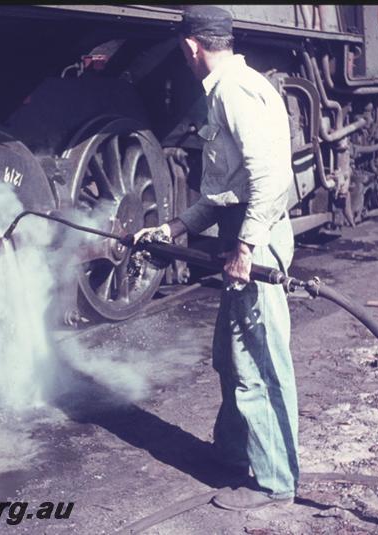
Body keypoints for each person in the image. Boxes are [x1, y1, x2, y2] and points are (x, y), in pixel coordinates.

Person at [134, 5, 299, 511]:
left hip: (257, 238)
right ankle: (233, 455)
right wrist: (175, 227)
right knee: (231, 357)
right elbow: (228, 190)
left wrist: (246, 247)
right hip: (243, 233)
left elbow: (269, 179)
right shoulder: (233, 87)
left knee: (257, 363)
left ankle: (275, 484)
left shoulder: (235, 92)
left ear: (191, 47)